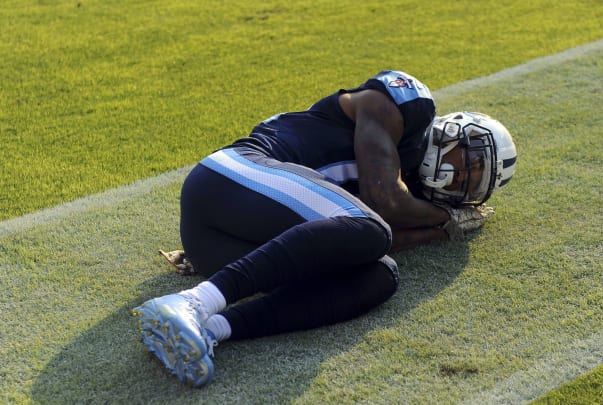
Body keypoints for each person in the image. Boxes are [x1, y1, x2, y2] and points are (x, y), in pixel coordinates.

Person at [132, 70, 517, 387]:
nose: (459, 173)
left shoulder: (411, 194)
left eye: (473, 177)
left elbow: (360, 240)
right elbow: (383, 203)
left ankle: (212, 328)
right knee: (373, 229)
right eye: (468, 158)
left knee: (380, 275)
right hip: (228, 176)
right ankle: (195, 300)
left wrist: (435, 228)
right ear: (453, 129)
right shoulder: (403, 105)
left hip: (225, 245)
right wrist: (444, 220)